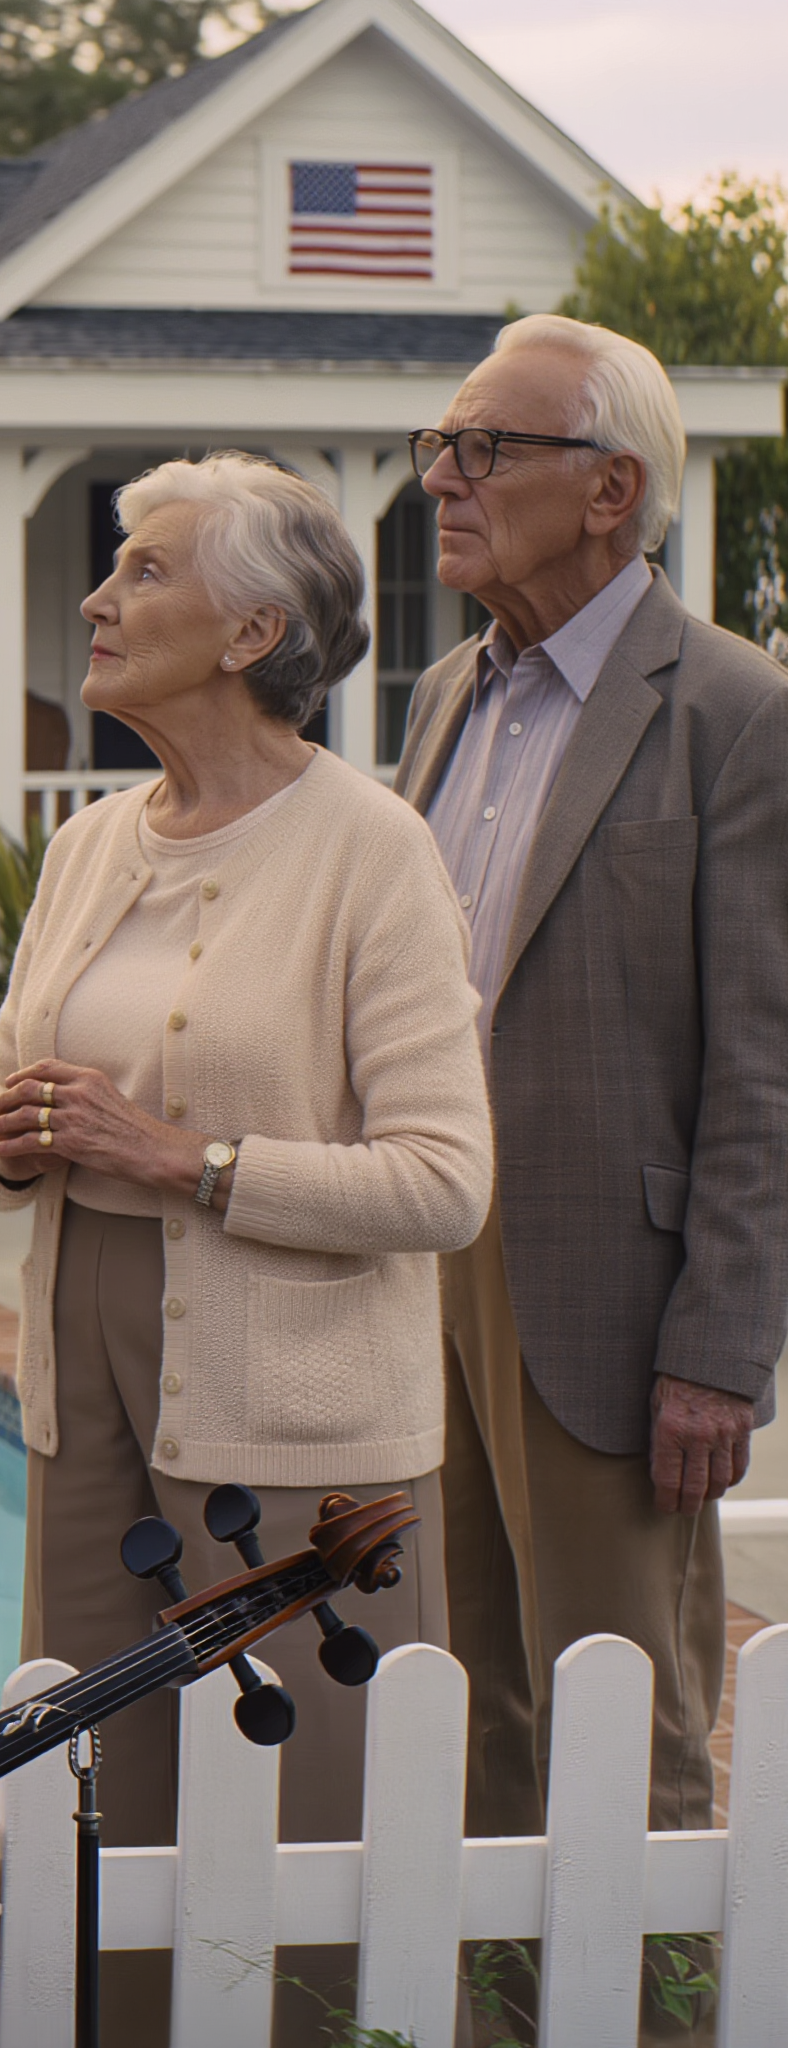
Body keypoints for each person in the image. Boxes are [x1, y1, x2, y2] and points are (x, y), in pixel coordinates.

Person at [0, 452, 492, 2045]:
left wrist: (183, 1159)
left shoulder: (371, 850)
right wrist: (17, 1136)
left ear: (256, 631)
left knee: (310, 1823)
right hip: (88, 1386)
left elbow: (444, 1181)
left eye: (144, 568)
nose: (100, 597)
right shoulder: (83, 849)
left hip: (301, 1418)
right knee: (109, 1806)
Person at [398, 314, 788, 1847]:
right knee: (468, 1697)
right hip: (432, 1269)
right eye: (446, 443)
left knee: (625, 1721)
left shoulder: (736, 713)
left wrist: (720, 1346)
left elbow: (768, 1065)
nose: (444, 477)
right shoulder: (446, 695)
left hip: (613, 1312)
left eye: (486, 449)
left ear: (611, 489)